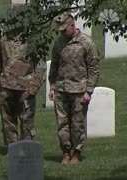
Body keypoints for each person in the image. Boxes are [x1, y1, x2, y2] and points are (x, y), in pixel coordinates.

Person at [49, 13, 100, 164]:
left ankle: (76, 153)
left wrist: (88, 91)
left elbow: (94, 69)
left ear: (73, 25)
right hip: (61, 89)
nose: (63, 33)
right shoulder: (59, 43)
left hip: (79, 90)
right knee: (62, 124)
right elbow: (54, 66)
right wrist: (52, 86)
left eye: (65, 29)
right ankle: (65, 152)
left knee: (77, 124)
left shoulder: (86, 43)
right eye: (61, 31)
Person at [0, 34, 46, 149]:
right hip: (6, 86)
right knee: (7, 121)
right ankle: (12, 148)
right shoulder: (3, 37)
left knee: (26, 122)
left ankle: (26, 148)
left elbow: (40, 64)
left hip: (26, 87)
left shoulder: (33, 38)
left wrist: (35, 85)